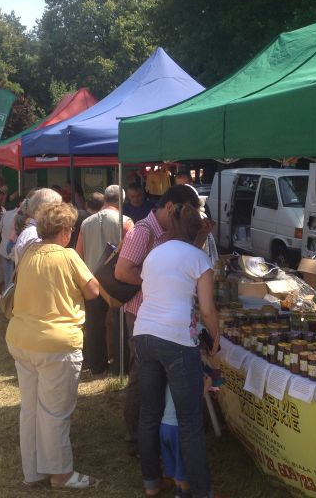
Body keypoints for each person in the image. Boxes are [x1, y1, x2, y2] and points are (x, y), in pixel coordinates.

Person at [5, 202, 101, 490]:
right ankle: (60, 474)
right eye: (71, 229)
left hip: (21, 338)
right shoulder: (68, 256)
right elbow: (93, 290)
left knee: (31, 409)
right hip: (56, 343)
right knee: (55, 412)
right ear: (63, 231)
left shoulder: (27, 254)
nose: (71, 234)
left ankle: (33, 472)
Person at [133, 201, 220, 498]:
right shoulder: (199, 258)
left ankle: (151, 482)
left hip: (144, 333)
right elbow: (207, 310)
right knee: (189, 421)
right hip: (176, 339)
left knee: (149, 412)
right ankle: (200, 490)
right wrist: (216, 336)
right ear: (201, 233)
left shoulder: (155, 253)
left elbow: (151, 292)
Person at [115, 184, 203, 456]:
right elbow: (121, 272)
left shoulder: (167, 232)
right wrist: (155, 278)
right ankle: (135, 437)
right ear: (170, 207)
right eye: (185, 210)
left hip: (158, 316)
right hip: (142, 313)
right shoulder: (143, 231)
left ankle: (152, 436)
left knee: (153, 380)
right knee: (141, 379)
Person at [75, 185, 134, 374]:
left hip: (91, 279)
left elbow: (79, 254)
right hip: (116, 280)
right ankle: (119, 366)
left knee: (94, 323)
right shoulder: (125, 222)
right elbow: (133, 253)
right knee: (119, 324)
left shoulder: (86, 223)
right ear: (121, 201)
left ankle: (96, 365)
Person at [12, 188, 62, 263]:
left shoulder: (35, 232)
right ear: (44, 210)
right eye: (57, 208)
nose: (61, 212)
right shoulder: (34, 235)